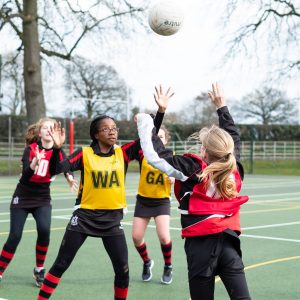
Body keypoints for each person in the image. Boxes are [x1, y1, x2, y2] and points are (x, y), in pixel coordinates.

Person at [37, 87, 173, 300]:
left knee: (123, 270)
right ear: (96, 134)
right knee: (61, 264)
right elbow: (57, 168)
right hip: (84, 218)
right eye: (106, 129)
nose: (112, 131)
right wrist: (55, 148)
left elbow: (149, 135)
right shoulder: (84, 154)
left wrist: (161, 111)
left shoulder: (123, 153)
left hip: (111, 221)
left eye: (114, 128)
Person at [136, 83, 251, 300]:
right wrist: (222, 107)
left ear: (204, 150)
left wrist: (146, 121)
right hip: (229, 242)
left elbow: (154, 154)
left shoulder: (193, 169)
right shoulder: (235, 169)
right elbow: (233, 138)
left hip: (201, 247)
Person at [0, 118, 76, 287]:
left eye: (52, 128)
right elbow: (26, 178)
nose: (49, 130)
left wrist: (70, 177)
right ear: (39, 132)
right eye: (45, 128)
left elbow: (62, 166)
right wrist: (34, 162)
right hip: (23, 196)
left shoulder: (59, 151)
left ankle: (39, 269)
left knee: (44, 231)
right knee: (15, 236)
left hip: (42, 198)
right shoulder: (30, 150)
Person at [132, 119, 175, 284]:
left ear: (166, 140)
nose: (159, 139)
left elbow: (176, 174)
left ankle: (168, 266)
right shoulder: (144, 154)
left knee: (164, 236)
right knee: (136, 237)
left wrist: (173, 178)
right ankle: (147, 262)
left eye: (162, 137)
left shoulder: (170, 157)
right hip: (143, 200)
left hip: (161, 201)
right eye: (156, 136)